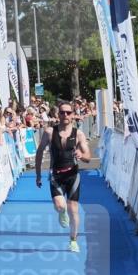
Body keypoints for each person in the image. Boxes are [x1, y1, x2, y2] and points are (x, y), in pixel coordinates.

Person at [35, 101, 92, 252]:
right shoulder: (49, 132)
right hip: (56, 175)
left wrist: (81, 154)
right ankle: (62, 212)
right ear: (57, 114)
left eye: (68, 113)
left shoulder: (78, 134)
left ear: (73, 115)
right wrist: (38, 175)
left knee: (74, 209)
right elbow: (39, 153)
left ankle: (73, 240)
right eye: (62, 112)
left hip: (73, 175)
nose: (65, 115)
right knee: (60, 205)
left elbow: (88, 156)